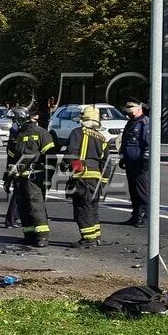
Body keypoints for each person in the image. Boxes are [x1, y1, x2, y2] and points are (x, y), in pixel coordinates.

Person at [5, 106, 53, 247]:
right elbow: (10, 160)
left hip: (34, 178)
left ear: (20, 118)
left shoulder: (41, 133)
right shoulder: (16, 135)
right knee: (23, 208)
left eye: (14, 119)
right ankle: (29, 235)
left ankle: (42, 237)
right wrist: (6, 180)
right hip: (19, 179)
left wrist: (47, 178)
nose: (13, 122)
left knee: (36, 208)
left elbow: (50, 158)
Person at [65, 104, 110, 247]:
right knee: (92, 206)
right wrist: (103, 181)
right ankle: (96, 236)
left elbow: (72, 152)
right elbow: (106, 162)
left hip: (82, 176)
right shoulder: (102, 138)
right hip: (96, 177)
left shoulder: (78, 132)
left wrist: (65, 165)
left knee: (82, 207)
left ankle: (88, 239)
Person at [120, 99, 152, 226]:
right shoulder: (130, 123)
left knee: (142, 191)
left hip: (140, 163)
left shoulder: (145, 123)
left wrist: (145, 160)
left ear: (139, 109)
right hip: (130, 162)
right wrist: (123, 157)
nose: (128, 113)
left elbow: (148, 144)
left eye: (130, 110)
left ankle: (146, 216)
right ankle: (136, 215)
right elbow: (125, 141)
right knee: (133, 191)